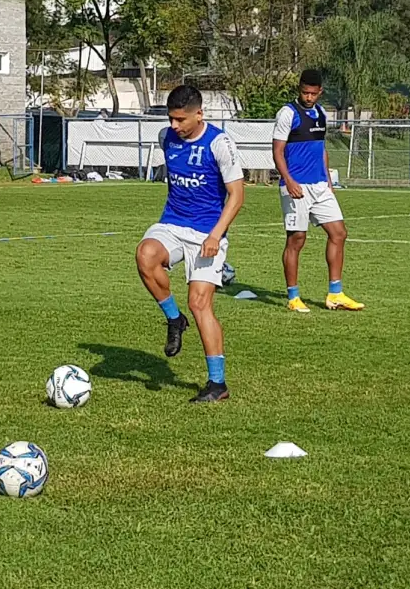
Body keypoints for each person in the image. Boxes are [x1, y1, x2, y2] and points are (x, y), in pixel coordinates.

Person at [135, 85, 245, 403]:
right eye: (170, 118)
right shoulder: (165, 138)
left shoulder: (219, 143)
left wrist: (216, 235)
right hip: (172, 223)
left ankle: (217, 384)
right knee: (145, 255)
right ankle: (173, 319)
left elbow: (237, 195)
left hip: (207, 233)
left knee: (199, 304)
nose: (174, 126)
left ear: (199, 114)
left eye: (180, 119)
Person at [272, 69, 364, 313]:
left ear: (320, 92)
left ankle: (335, 293)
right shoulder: (287, 113)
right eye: (305, 92)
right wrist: (288, 180)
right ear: (299, 89)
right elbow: (278, 151)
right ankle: (293, 297)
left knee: (339, 233)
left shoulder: (321, 113)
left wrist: (328, 180)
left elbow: (321, 148)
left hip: (320, 185)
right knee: (296, 240)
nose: (309, 97)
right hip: (296, 186)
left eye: (313, 93)